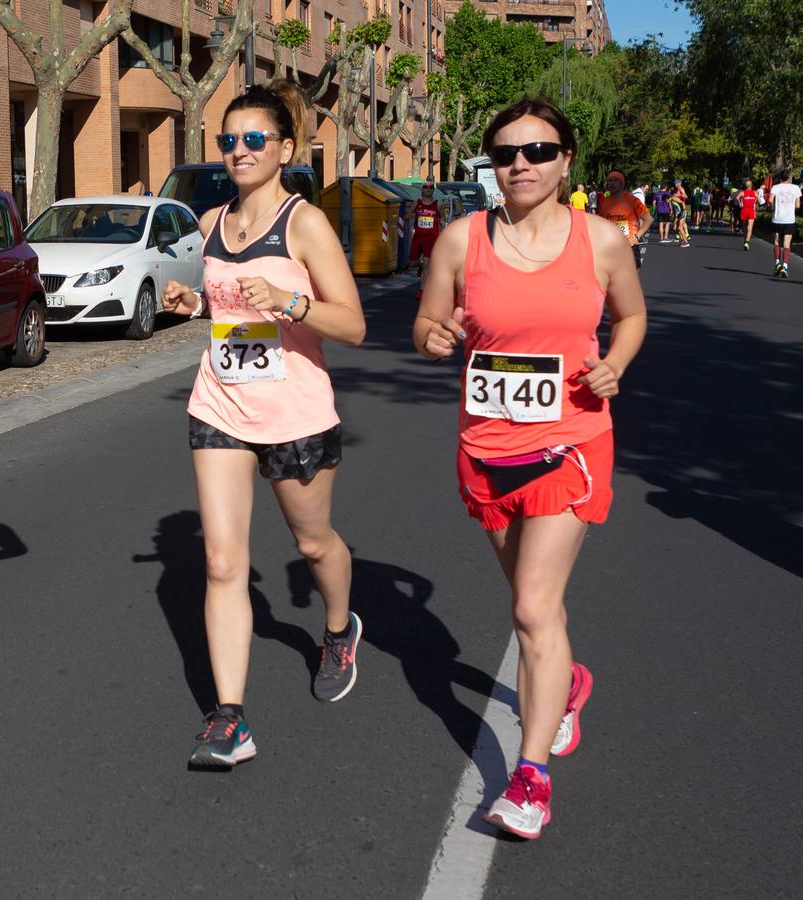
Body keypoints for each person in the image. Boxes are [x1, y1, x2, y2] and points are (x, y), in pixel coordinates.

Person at [415, 98, 647, 840]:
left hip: (570, 443)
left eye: (538, 151)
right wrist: (436, 335)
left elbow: (633, 316)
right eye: (506, 152)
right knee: (531, 599)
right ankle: (568, 682)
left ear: (565, 161)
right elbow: (423, 326)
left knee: (530, 609)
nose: (520, 164)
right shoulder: (461, 239)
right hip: (485, 449)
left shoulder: (601, 240)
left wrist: (612, 362)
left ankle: (530, 775)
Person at [158, 80, 368, 769]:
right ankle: (229, 719)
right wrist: (193, 306)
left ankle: (338, 628)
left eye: (254, 140)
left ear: (284, 149)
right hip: (219, 405)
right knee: (222, 563)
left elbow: (354, 325)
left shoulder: (303, 222)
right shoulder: (211, 220)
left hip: (295, 413)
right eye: (229, 140)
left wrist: (290, 301)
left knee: (313, 546)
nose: (239, 151)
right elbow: (227, 316)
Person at [595, 170, 654, 269]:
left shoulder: (633, 201)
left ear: (622, 184)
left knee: (631, 279)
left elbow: (648, 219)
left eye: (615, 180)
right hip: (610, 245)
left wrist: (637, 236)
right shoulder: (603, 202)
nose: (612, 183)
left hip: (629, 244)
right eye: (609, 180)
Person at [768, 171, 801, 277]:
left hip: (777, 219)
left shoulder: (775, 187)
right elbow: (798, 206)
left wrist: (774, 205)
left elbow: (770, 200)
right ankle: (785, 267)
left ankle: (777, 263)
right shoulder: (796, 188)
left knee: (776, 242)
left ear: (780, 178)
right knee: (787, 244)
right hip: (789, 220)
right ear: (789, 178)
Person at [410, 182, 445, 277]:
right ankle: (421, 266)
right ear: (422, 190)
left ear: (433, 190)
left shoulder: (438, 204)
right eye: (426, 187)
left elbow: (442, 221)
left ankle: (422, 290)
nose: (428, 189)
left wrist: (442, 237)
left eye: (431, 187)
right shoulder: (417, 203)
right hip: (418, 237)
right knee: (412, 263)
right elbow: (407, 215)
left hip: (431, 238)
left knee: (427, 263)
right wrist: (414, 215)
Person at [737, 177, 759, 246]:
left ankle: (745, 240)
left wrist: (740, 203)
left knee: (744, 227)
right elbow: (760, 200)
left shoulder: (742, 192)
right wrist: (756, 202)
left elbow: (737, 197)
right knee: (750, 226)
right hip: (751, 211)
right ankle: (747, 242)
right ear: (751, 186)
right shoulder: (755, 193)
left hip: (744, 210)